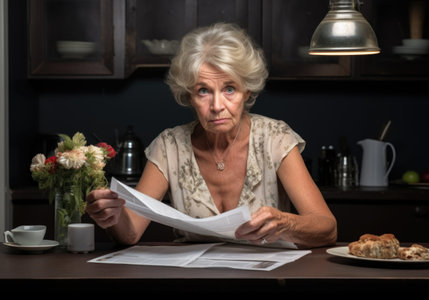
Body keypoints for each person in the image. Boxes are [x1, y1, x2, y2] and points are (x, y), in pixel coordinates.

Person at [86, 23, 337, 249]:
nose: (217, 105)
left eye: (229, 89)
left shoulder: (275, 138)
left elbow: (327, 229)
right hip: (193, 279)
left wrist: (285, 223)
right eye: (203, 91)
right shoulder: (169, 146)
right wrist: (112, 218)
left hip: (265, 278)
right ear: (189, 96)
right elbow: (130, 234)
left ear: (246, 91)